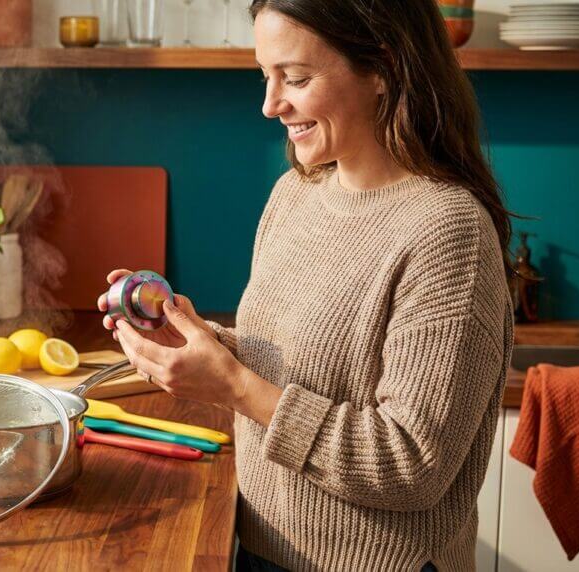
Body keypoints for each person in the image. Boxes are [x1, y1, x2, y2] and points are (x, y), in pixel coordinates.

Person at [97, 0, 515, 570]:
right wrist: (202, 342)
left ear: (383, 69)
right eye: (265, 76)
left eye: (295, 78)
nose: (270, 105)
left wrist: (235, 387)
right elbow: (301, 362)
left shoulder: (448, 233)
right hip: (260, 544)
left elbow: (411, 465)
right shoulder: (296, 194)